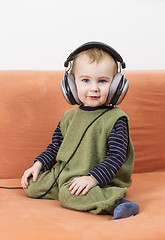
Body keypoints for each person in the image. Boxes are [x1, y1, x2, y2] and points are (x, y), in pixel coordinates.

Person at [21, 42, 139, 220]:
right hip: (66, 172)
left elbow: (117, 156)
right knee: (32, 185)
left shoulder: (116, 119)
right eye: (85, 80)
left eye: (102, 81)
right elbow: (56, 146)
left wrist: (93, 179)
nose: (94, 88)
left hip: (100, 177)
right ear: (71, 85)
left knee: (68, 195)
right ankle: (70, 189)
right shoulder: (68, 117)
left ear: (116, 86)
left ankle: (116, 202)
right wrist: (38, 165)